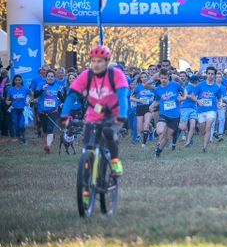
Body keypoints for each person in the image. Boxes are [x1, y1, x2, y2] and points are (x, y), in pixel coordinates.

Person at [61, 46, 129, 178]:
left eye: (100, 61)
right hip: (94, 114)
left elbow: (122, 96)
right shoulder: (87, 75)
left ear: (107, 62)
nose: (96, 64)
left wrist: (123, 114)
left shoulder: (115, 74)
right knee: (88, 145)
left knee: (108, 133)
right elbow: (72, 96)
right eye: (93, 61)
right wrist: (64, 114)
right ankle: (87, 178)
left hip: (114, 114)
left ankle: (115, 162)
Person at [143, 68, 186, 158]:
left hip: (175, 116)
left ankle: (158, 152)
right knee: (160, 131)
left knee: (167, 137)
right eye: (161, 78)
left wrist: (184, 97)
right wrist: (153, 78)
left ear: (168, 77)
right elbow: (146, 86)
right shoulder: (157, 89)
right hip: (164, 114)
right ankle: (155, 132)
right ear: (159, 78)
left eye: (165, 78)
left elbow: (184, 89)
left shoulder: (175, 85)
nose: (163, 80)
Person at [192, 66, 224, 152]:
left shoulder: (217, 87)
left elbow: (219, 98)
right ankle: (205, 136)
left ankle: (204, 147)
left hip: (211, 110)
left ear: (214, 75)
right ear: (206, 74)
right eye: (209, 73)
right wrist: (198, 101)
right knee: (202, 131)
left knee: (209, 126)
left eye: (212, 74)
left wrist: (220, 103)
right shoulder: (200, 85)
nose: (210, 75)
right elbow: (192, 96)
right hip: (201, 110)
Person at [34, 69, 63, 153]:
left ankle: (48, 146)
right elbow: (35, 95)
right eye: (49, 76)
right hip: (42, 112)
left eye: (52, 76)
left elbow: (61, 97)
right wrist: (42, 89)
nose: (50, 78)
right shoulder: (41, 85)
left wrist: (63, 103)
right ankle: (48, 141)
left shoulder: (57, 86)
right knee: (45, 129)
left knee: (50, 129)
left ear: (54, 78)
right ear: (46, 77)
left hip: (53, 111)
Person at [131, 72, 155, 149]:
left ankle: (143, 144)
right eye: (142, 77)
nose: (144, 78)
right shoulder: (138, 87)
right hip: (140, 107)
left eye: (145, 77)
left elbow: (157, 96)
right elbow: (131, 98)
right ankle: (151, 132)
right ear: (140, 79)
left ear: (148, 78)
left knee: (146, 124)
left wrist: (153, 100)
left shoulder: (152, 86)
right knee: (140, 129)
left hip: (149, 107)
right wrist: (139, 100)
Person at [5, 74, 30, 145]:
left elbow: (32, 94)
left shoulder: (25, 89)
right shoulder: (11, 89)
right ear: (14, 81)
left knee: (21, 125)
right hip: (14, 110)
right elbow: (7, 101)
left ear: (21, 81)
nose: (18, 81)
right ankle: (20, 138)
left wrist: (29, 101)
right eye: (16, 80)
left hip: (22, 109)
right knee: (15, 124)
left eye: (19, 80)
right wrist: (8, 102)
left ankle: (24, 138)